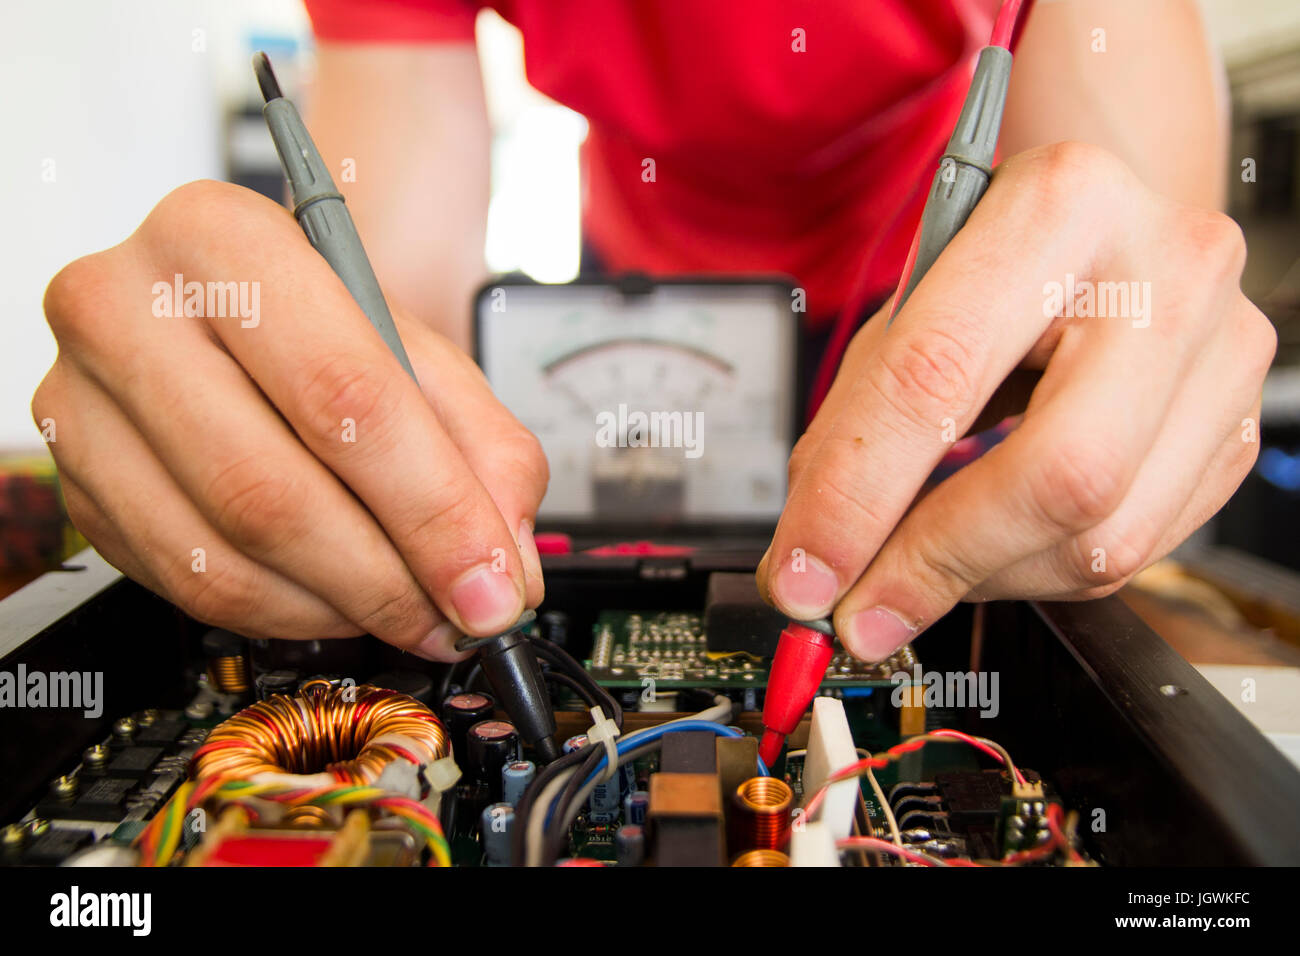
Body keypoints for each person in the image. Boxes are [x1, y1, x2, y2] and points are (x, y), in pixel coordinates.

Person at [33, 0, 1274, 665]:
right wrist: (299, 410)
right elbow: (389, 320)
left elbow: (1130, 249)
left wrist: (1141, 340)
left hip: (952, 313)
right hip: (629, 319)